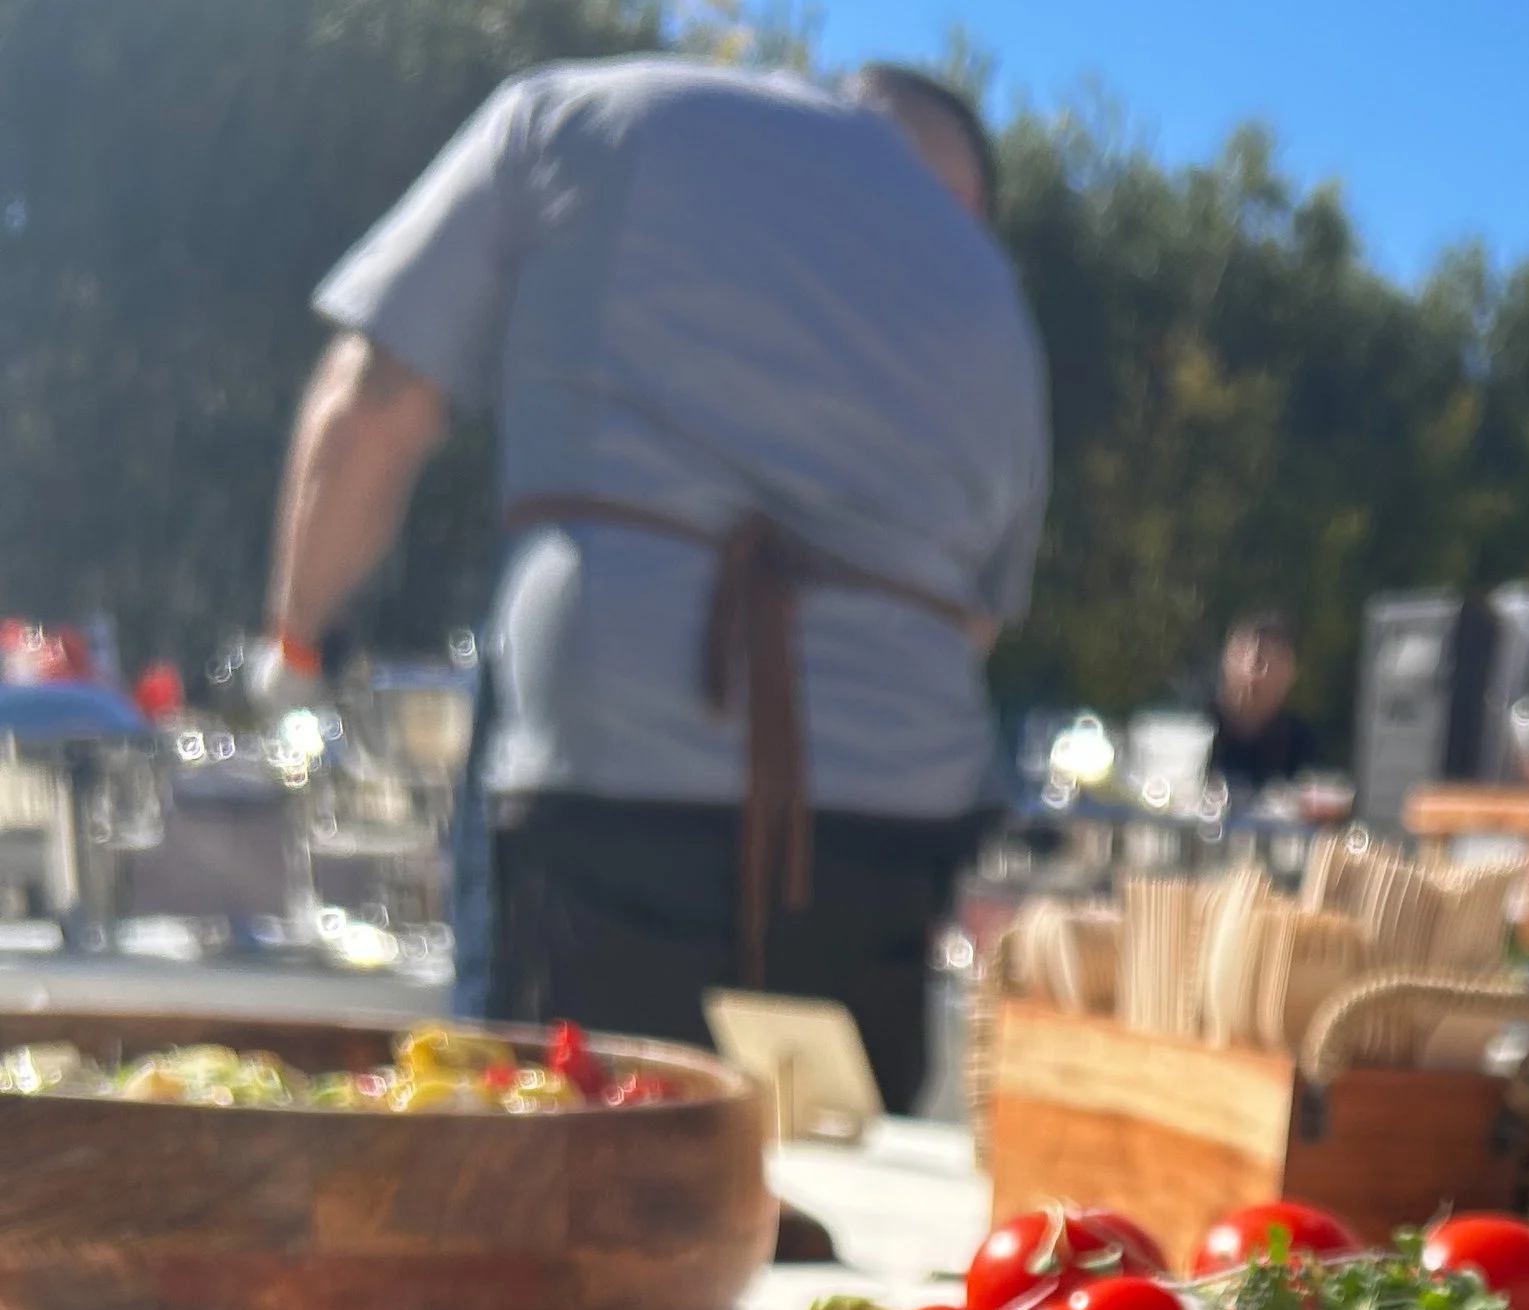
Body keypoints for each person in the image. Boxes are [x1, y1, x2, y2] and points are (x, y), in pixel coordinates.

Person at [253, 58, 1048, 1114]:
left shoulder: (587, 115)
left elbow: (376, 407)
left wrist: (297, 641)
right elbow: (981, 617)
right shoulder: (988, 283)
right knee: (830, 1201)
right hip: (884, 831)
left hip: (603, 778)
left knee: (544, 1184)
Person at [1209, 609, 1317, 796]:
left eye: (1273, 661)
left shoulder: (1300, 742)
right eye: (1254, 660)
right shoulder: (1198, 730)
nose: (1257, 675)